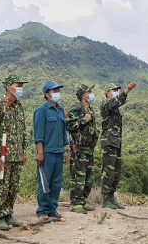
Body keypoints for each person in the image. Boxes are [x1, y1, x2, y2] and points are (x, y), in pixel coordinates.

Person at [0, 74, 28, 230]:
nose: (21, 88)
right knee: (1, 186)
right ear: (8, 86)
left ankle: (9, 214)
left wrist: (23, 151)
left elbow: (22, 130)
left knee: (13, 187)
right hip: (3, 155)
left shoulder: (19, 106)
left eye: (21, 86)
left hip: (16, 154)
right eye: (18, 85)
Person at [33, 80, 69, 220]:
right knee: (44, 182)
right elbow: (39, 135)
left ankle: (53, 209)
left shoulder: (60, 110)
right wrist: (40, 152)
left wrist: (65, 150)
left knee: (56, 182)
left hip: (59, 152)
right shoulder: (41, 111)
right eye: (54, 91)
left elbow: (63, 131)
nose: (57, 93)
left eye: (58, 91)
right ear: (47, 94)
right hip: (47, 152)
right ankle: (42, 210)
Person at [100, 82, 137, 209]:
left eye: (117, 90)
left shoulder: (115, 110)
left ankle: (111, 197)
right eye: (114, 90)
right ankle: (105, 199)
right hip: (109, 142)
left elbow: (117, 103)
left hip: (116, 143)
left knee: (116, 172)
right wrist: (126, 91)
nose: (116, 91)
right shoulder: (106, 104)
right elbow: (116, 102)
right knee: (108, 171)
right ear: (107, 93)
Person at [66, 84, 99, 214]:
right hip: (79, 149)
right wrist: (83, 120)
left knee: (88, 178)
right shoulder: (77, 108)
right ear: (83, 95)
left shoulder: (90, 109)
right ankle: (75, 203)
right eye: (89, 91)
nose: (91, 93)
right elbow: (68, 125)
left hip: (89, 149)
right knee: (78, 177)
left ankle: (82, 201)